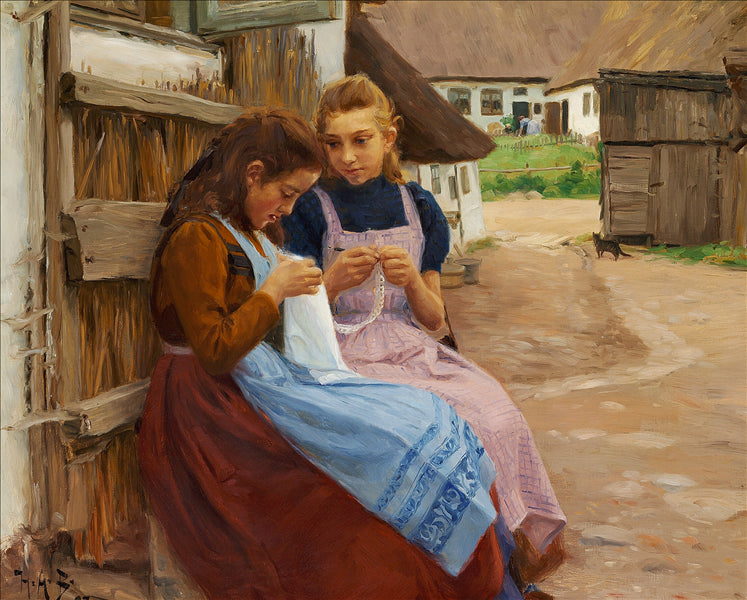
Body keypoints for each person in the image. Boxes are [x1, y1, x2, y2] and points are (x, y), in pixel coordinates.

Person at [137, 107, 521, 600]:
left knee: (429, 418)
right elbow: (214, 350)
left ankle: (501, 581)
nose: (289, 210)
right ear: (253, 175)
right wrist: (275, 292)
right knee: (348, 499)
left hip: (258, 385)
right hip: (209, 412)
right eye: (287, 194)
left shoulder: (248, 232)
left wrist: (309, 291)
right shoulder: (196, 237)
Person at [283, 74, 567, 592]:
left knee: (495, 415)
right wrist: (329, 282)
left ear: (389, 137)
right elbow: (292, 316)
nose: (347, 156)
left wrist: (412, 279)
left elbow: (434, 320)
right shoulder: (310, 209)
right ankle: (476, 580)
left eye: (360, 140)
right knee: (438, 431)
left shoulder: (419, 206)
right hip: (341, 354)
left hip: (412, 349)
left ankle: (508, 564)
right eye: (333, 143)